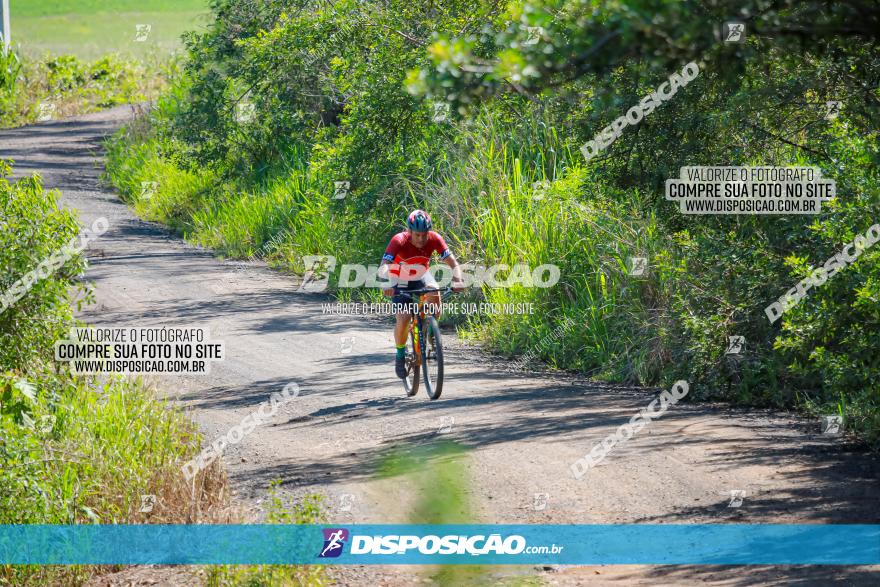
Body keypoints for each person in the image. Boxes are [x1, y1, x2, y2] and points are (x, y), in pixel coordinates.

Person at [379, 210, 464, 378]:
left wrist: (458, 280)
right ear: (409, 231)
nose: (421, 239)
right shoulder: (399, 240)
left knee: (434, 293)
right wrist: (386, 284)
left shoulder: (434, 239)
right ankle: (400, 354)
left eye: (424, 234)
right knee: (403, 317)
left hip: (420, 274)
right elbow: (384, 264)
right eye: (417, 235)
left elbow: (452, 262)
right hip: (399, 278)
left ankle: (429, 332)